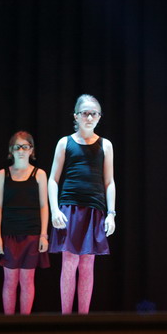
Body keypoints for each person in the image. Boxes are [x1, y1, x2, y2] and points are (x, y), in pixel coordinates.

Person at [49, 94, 116, 314]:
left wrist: (111, 213)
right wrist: (54, 210)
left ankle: (84, 319)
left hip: (94, 210)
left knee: (87, 265)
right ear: (76, 116)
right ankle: (66, 318)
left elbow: (109, 182)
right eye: (85, 113)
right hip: (69, 208)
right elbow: (53, 179)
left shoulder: (105, 145)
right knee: (69, 264)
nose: (89, 118)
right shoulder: (65, 142)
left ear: (99, 117)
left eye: (94, 114)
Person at [0, 131, 50, 314]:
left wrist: (44, 235)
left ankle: (25, 322)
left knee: (27, 280)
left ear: (31, 150)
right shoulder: (3, 174)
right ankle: (9, 323)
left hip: (32, 234)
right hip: (9, 234)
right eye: (17, 147)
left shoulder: (39, 174)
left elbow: (44, 206)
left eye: (25, 147)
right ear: (11, 150)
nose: (21, 151)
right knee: (10, 280)